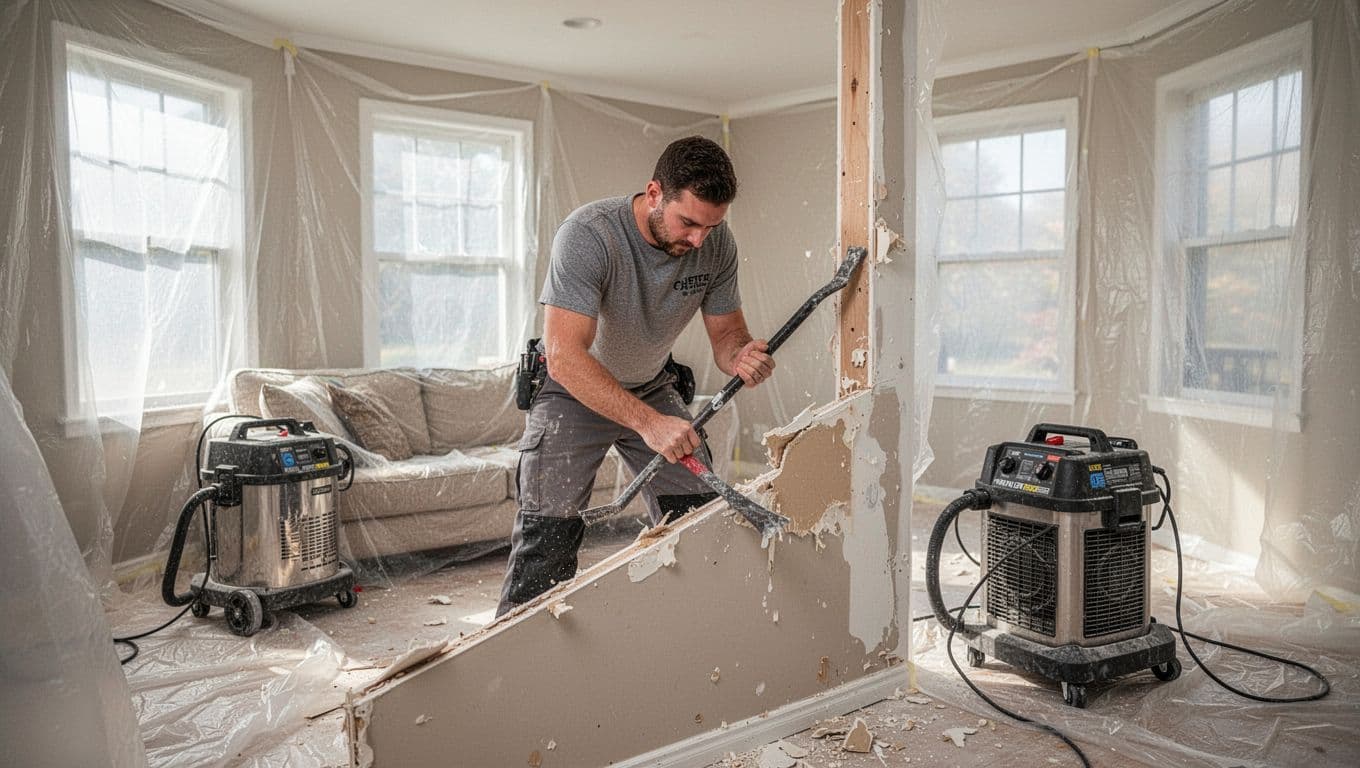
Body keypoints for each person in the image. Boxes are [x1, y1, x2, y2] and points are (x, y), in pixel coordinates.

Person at [495, 136, 775, 616]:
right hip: (571, 391)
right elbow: (564, 356)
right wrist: (649, 424)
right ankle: (520, 666)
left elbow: (728, 336)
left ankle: (690, 636)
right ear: (653, 193)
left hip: (650, 385)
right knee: (546, 546)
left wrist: (742, 357)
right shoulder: (589, 234)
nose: (698, 240)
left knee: (699, 523)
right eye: (688, 222)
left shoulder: (715, 243)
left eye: (711, 226)